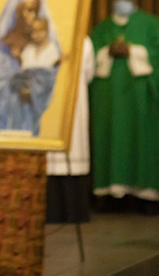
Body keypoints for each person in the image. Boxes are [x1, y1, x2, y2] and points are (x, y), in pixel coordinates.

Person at [90, 0, 159, 215]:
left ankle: (148, 196)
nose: (123, 1)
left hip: (141, 101)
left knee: (142, 140)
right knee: (111, 137)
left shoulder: (152, 25)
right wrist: (107, 51)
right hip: (110, 102)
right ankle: (113, 195)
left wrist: (134, 51)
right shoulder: (102, 29)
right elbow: (90, 56)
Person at [0, 0, 60, 136]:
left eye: (36, 11)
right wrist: (11, 87)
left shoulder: (41, 48)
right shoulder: (1, 47)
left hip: (28, 122)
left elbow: (48, 83)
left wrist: (33, 91)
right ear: (18, 10)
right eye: (28, 10)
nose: (32, 16)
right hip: (1, 123)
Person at [46, 36, 94, 223]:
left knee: (73, 147)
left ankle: (58, 212)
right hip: (50, 104)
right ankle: (72, 212)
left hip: (73, 104)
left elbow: (87, 73)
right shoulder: (83, 39)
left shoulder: (82, 40)